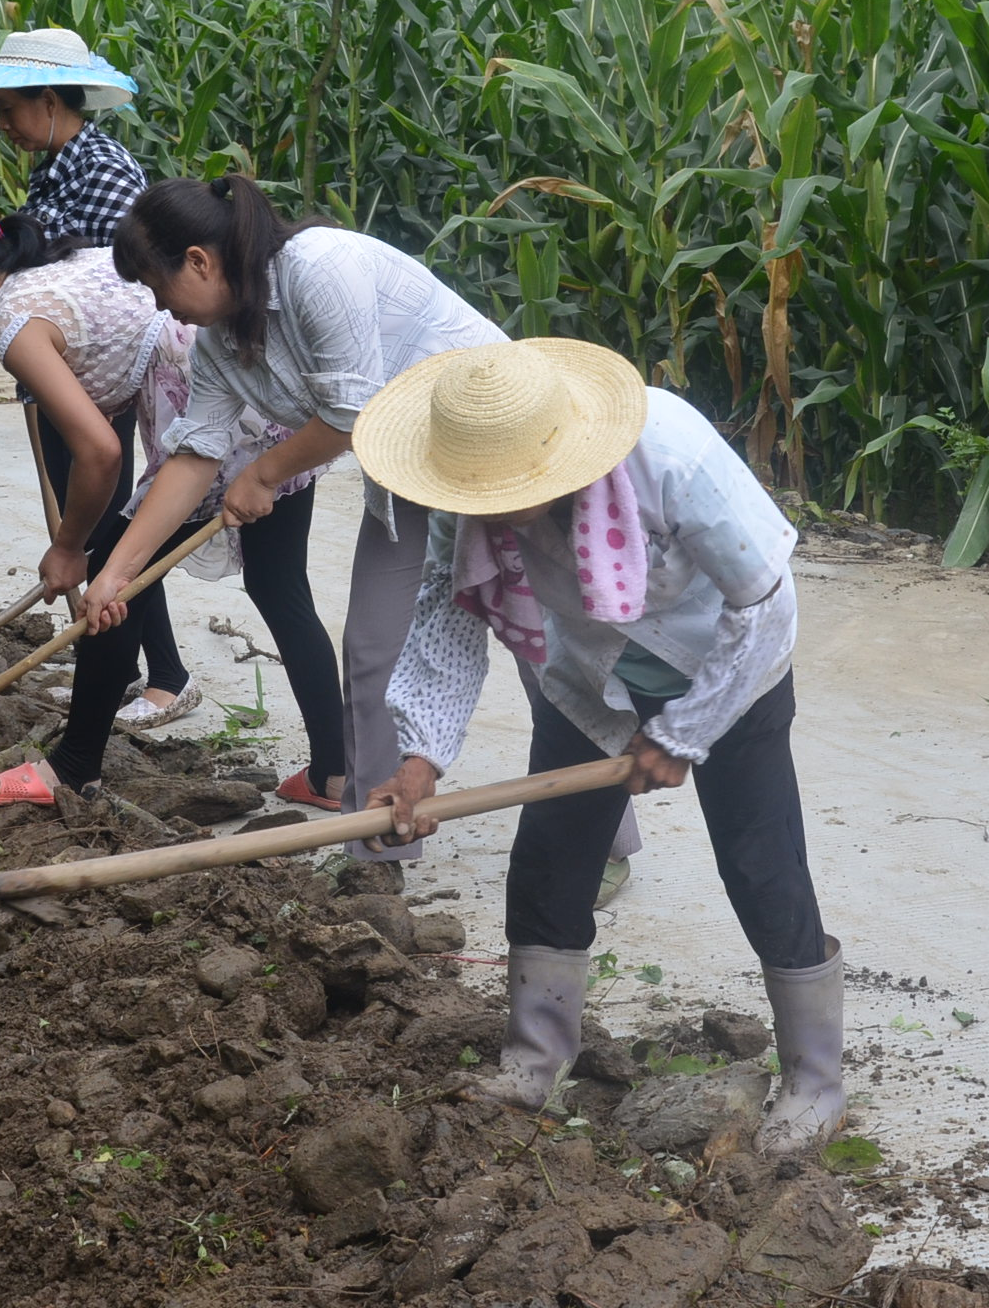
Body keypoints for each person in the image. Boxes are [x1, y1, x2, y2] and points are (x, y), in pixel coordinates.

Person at [359, 339, 844, 1156]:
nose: (485, 510)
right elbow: (447, 618)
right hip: (588, 675)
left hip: (727, 674)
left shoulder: (674, 458)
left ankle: (815, 1078)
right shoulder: (467, 491)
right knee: (551, 860)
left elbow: (764, 605)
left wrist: (684, 733)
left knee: (761, 864)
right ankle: (533, 1058)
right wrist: (417, 764)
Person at [85, 176, 644, 883]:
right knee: (374, 647)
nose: (160, 305)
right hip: (406, 466)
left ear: (198, 261)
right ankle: (381, 849)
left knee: (542, 652)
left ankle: (600, 841)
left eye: (157, 286)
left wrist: (263, 474)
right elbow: (196, 453)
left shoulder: (319, 266)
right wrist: (117, 574)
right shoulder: (218, 344)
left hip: (499, 452)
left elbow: (353, 411)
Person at [0, 210, 347, 805]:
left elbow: (99, 452)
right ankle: (334, 773)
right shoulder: (61, 265)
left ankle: (73, 768)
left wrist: (69, 547)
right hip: (249, 381)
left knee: (113, 586)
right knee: (280, 587)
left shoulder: (16, 323)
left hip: (202, 399)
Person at [0, 27, 189, 727]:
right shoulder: (53, 167)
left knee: (108, 527)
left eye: (10, 111)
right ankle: (109, 668)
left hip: (100, 368)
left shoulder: (106, 167)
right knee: (81, 520)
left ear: (50, 99)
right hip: (58, 363)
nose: (4, 127)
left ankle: (167, 678)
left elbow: (115, 277)